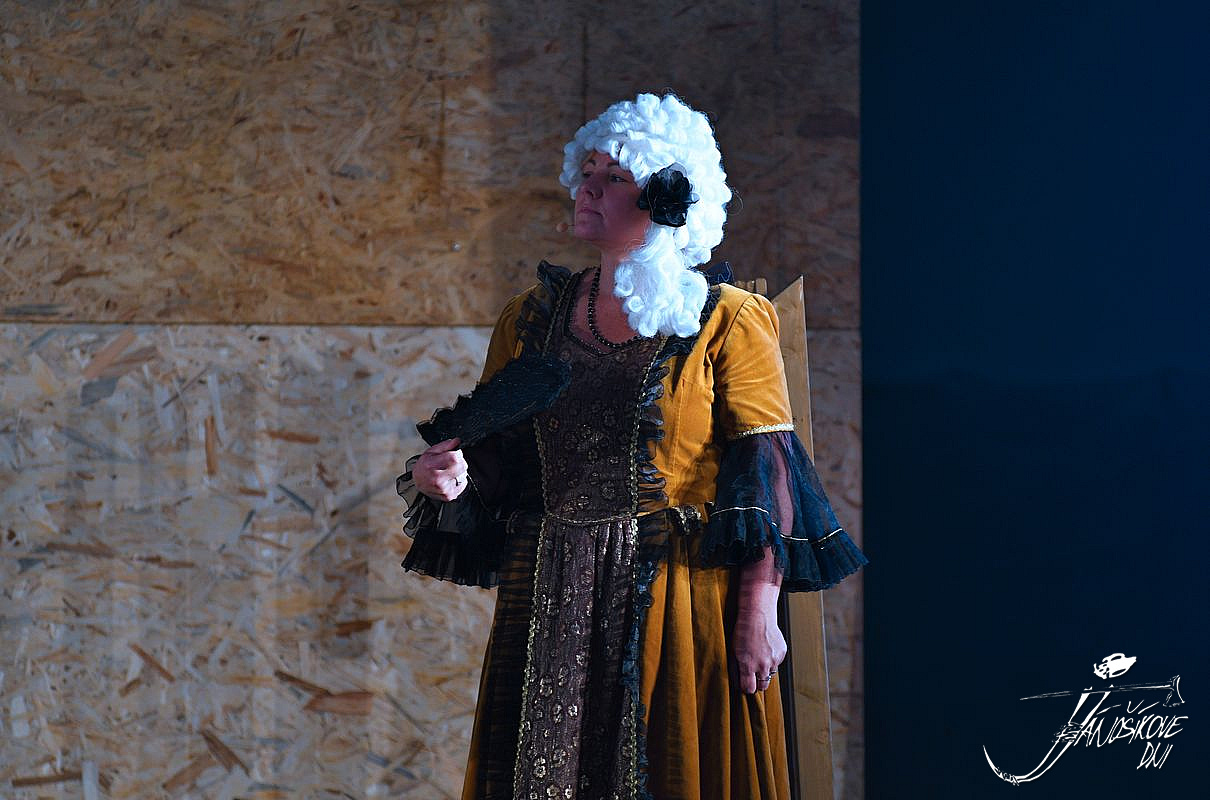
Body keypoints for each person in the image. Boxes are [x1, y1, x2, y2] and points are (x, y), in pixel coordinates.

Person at [398, 92, 867, 800]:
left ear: (667, 197)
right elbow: (497, 457)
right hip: (551, 589)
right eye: (586, 173)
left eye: (613, 177)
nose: (587, 189)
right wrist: (447, 478)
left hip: (677, 591)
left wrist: (756, 612)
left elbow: (763, 474)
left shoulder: (726, 319)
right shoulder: (532, 318)